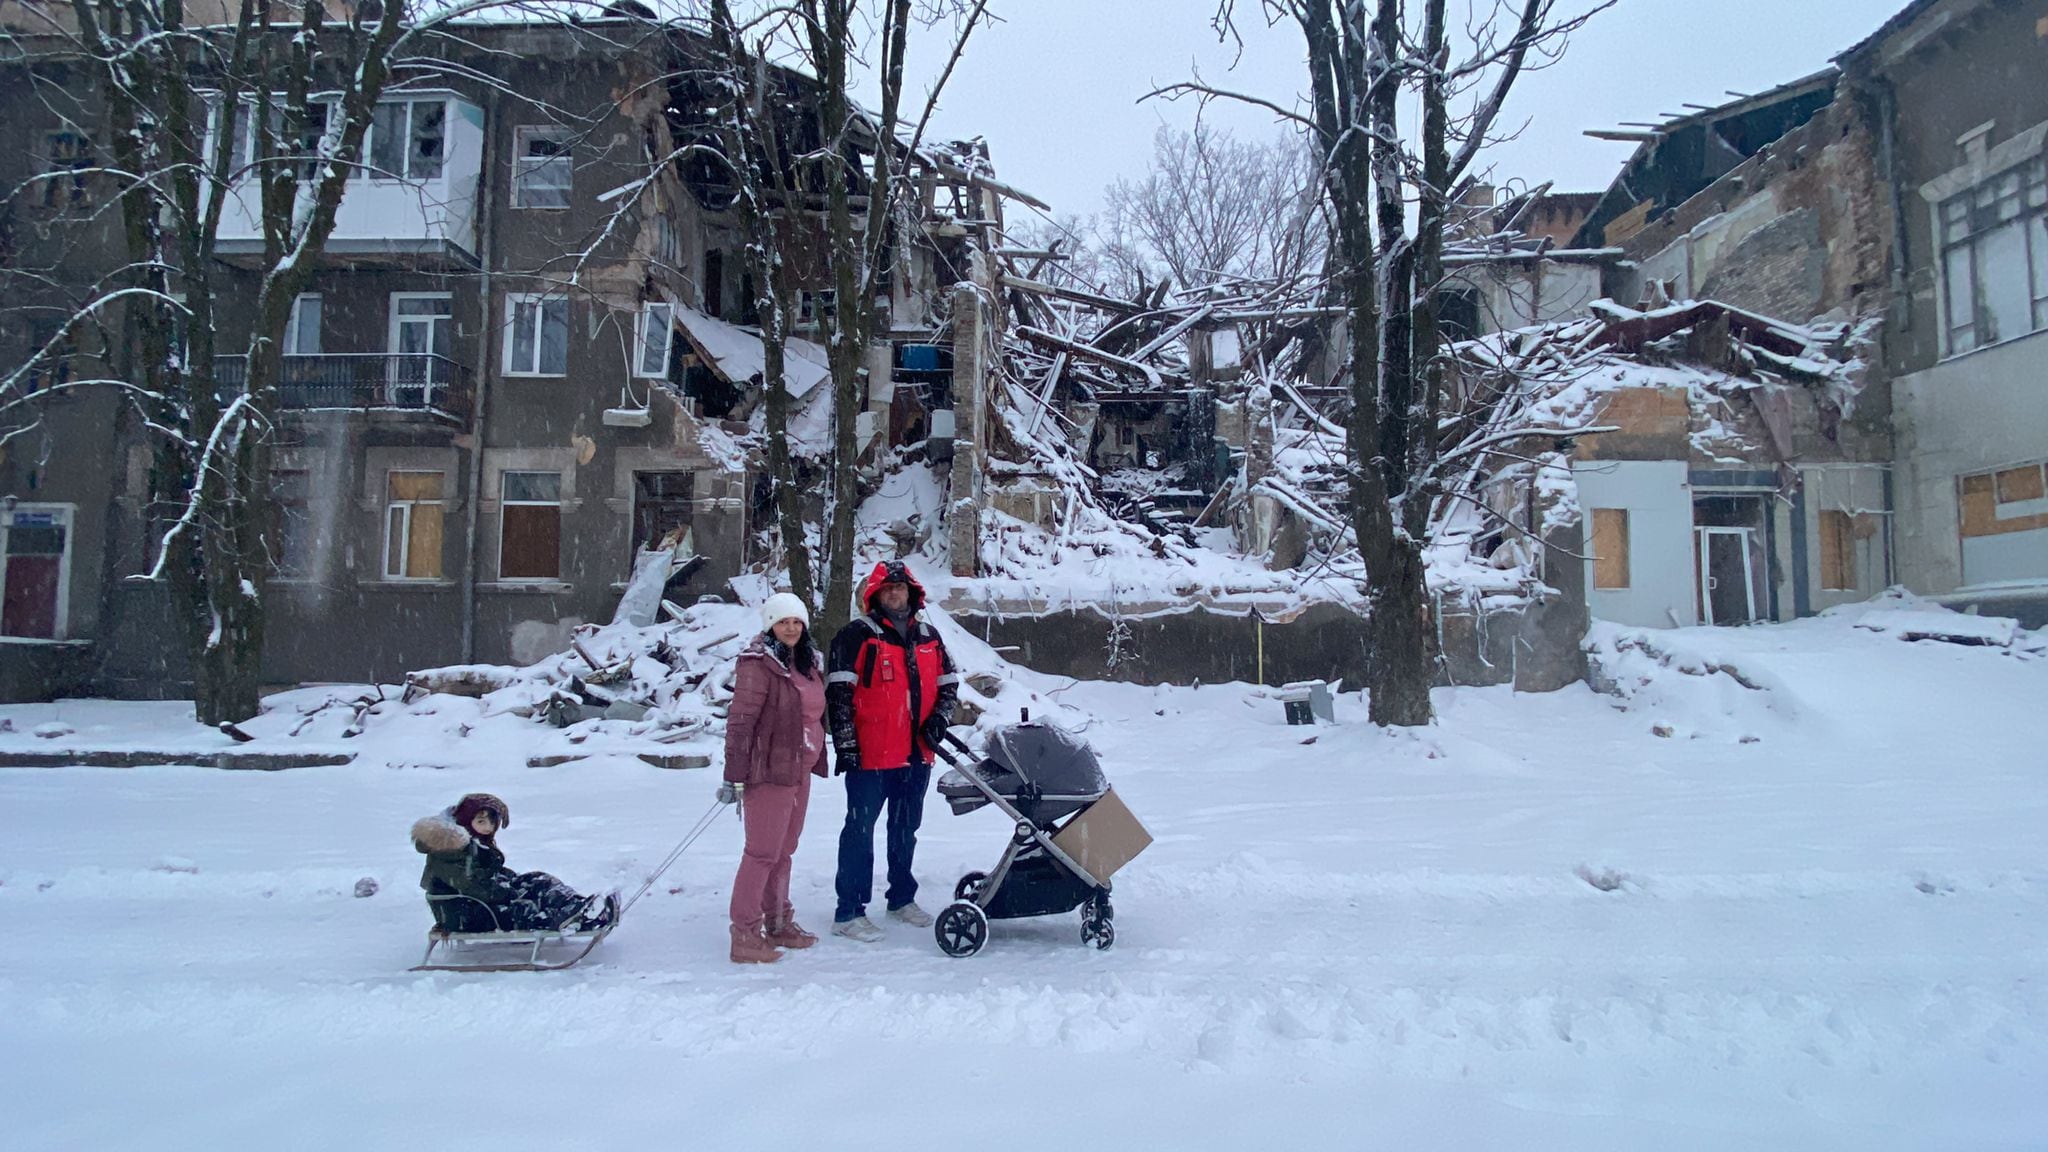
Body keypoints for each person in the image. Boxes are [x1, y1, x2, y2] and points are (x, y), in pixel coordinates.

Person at [826, 560, 958, 942]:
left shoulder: (929, 635)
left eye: (900, 588)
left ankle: (901, 898)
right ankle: (848, 910)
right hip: (871, 756)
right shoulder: (855, 636)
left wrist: (940, 721)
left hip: (916, 754)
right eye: (888, 589)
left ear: (912, 594)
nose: (895, 594)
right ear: (875, 595)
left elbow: (949, 684)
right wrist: (846, 745)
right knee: (859, 829)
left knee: (905, 829)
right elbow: (838, 695)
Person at [719, 591, 828, 964]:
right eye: (783, 622)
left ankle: (779, 922)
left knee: (785, 851)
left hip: (800, 771)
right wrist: (733, 775)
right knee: (762, 853)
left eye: (797, 621)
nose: (791, 628)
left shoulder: (807, 663)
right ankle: (745, 934)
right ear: (770, 626)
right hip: (768, 772)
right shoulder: (757, 665)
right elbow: (740, 722)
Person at [411, 793, 618, 933]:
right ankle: (567, 923)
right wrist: (508, 891)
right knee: (522, 908)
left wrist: (511, 881)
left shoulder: (472, 843)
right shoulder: (449, 849)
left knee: (538, 881)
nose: (488, 827)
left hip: (477, 901)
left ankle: (579, 908)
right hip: (463, 914)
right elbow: (472, 885)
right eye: (481, 821)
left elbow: (484, 874)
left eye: (492, 822)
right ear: (466, 821)